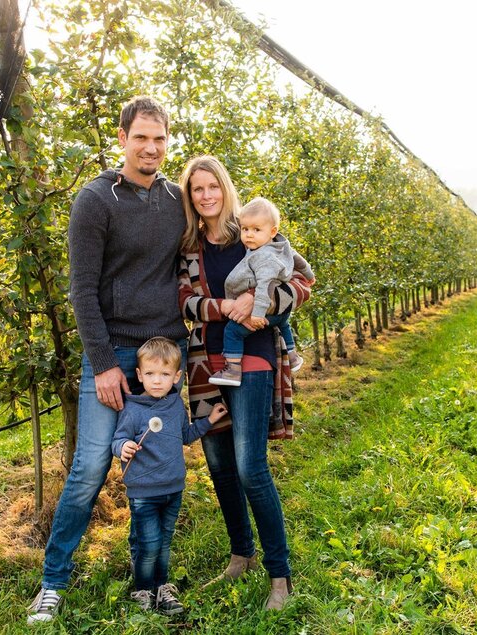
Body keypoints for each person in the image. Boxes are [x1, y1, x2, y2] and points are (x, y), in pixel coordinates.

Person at [28, 96, 189, 625]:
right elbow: (81, 289)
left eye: (159, 138)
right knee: (92, 465)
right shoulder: (96, 199)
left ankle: (151, 578)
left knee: (159, 463)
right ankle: (53, 581)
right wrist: (102, 364)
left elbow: (226, 234)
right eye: (141, 137)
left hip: (165, 355)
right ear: (122, 138)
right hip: (114, 352)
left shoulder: (177, 199)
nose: (151, 147)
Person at [176, 155, 313, 611]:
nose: (207, 195)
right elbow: (184, 301)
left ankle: (280, 576)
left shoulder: (254, 232)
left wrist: (263, 300)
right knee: (219, 465)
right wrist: (226, 307)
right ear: (190, 196)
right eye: (197, 189)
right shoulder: (189, 247)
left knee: (250, 467)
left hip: (252, 357)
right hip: (204, 362)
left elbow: (303, 280)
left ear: (225, 188)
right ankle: (242, 554)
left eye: (213, 186)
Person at [111, 337, 228, 615]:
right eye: (150, 373)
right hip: (144, 492)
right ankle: (143, 589)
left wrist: (209, 420)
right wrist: (123, 447)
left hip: (173, 488)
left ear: (177, 377)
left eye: (164, 374)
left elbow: (185, 436)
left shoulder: (175, 405)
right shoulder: (133, 408)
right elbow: (118, 439)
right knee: (149, 544)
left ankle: (161, 587)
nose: (156, 380)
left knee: (164, 543)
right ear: (139, 374)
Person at [208, 197, 315, 387]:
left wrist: (257, 313)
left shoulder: (263, 257)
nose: (249, 235)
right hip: (281, 313)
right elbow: (298, 259)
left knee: (232, 331)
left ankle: (232, 369)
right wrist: (309, 275)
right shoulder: (279, 245)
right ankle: (293, 356)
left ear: (272, 231)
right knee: (284, 323)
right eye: (245, 229)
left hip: (264, 309)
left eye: (256, 230)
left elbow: (264, 287)